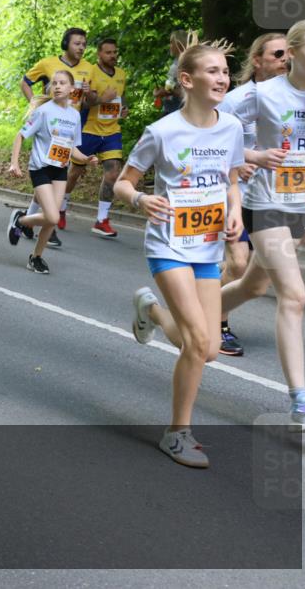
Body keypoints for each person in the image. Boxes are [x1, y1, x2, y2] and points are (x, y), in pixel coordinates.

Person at [114, 35, 245, 468]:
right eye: (213, 71)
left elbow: (231, 181)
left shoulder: (232, 128)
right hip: (168, 244)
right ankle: (177, 434)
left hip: (207, 247)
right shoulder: (162, 131)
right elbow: (124, 182)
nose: (222, 78)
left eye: (225, 71)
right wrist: (140, 199)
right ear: (187, 80)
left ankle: (151, 310)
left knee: (207, 349)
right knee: (199, 341)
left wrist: (235, 212)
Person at [220, 18, 305, 429]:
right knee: (294, 296)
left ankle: (182, 313)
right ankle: (301, 400)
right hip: (267, 206)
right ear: (293, 54)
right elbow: (209, 123)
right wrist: (249, 156)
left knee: (253, 286)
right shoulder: (262, 94)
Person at [215, 32, 288, 356]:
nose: (285, 60)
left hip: (274, 196)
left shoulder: (297, 99)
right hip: (236, 192)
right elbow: (211, 139)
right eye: (278, 54)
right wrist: (242, 158)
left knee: (259, 280)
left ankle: (201, 291)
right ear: (257, 60)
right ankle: (217, 323)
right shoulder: (238, 100)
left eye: (289, 54)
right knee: (239, 263)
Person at [7, 70, 95, 273]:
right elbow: (20, 136)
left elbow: (72, 147)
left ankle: (36, 257)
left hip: (60, 170)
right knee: (53, 217)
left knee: (50, 220)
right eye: (54, 83)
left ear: (72, 89)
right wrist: (14, 163)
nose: (57, 86)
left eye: (62, 83)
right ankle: (21, 221)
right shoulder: (44, 111)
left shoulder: (74, 115)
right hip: (41, 168)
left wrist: (85, 159)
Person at [62, 38, 129, 238]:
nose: (113, 56)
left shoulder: (121, 74)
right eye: (108, 52)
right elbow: (84, 102)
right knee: (75, 172)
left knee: (113, 173)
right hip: (89, 130)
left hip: (111, 132)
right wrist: (101, 99)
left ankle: (102, 220)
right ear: (99, 54)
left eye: (115, 52)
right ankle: (61, 207)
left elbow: (122, 96)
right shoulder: (90, 71)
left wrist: (124, 108)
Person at [153, 30, 188, 115]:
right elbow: (170, 88)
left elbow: (188, 94)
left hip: (180, 112)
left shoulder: (187, 63)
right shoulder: (176, 62)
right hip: (170, 110)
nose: (170, 46)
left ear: (179, 43)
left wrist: (167, 91)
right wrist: (162, 92)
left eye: (172, 42)